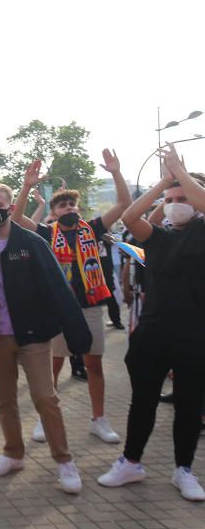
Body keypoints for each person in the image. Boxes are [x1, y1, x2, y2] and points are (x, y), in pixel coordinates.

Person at [98, 145, 205, 502]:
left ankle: (183, 470)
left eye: (182, 198)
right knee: (142, 401)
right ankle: (131, 462)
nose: (176, 203)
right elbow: (130, 218)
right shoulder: (159, 237)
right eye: (171, 199)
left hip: (195, 336)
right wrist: (164, 182)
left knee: (189, 405)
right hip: (153, 335)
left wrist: (184, 177)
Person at [11, 150, 131, 445]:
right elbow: (15, 219)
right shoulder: (46, 233)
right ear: (55, 211)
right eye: (62, 205)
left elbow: (125, 204)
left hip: (90, 306)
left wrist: (116, 172)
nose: (68, 208)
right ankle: (45, 417)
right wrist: (27, 186)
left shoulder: (93, 227)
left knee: (94, 365)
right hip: (57, 308)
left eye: (71, 204)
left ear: (77, 207)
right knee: (54, 365)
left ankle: (99, 420)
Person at [0, 183, 92, 494]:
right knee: (5, 402)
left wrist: (75, 334)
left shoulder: (30, 242)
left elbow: (58, 287)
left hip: (32, 335)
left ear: (10, 207)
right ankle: (13, 453)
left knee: (45, 398)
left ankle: (64, 460)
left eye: (1, 204)